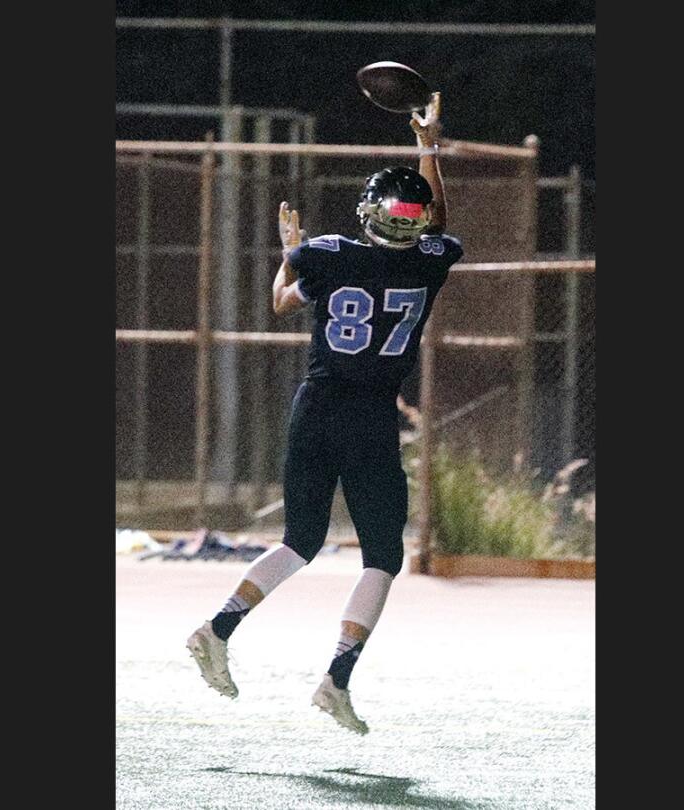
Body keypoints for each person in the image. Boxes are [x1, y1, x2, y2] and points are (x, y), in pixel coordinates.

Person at [186, 93, 462, 735]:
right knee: (382, 556)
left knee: (300, 541)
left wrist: (291, 250)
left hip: (314, 408)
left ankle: (217, 628)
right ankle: (336, 678)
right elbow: (436, 222)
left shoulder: (328, 254)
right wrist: (428, 149)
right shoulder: (430, 262)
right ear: (415, 226)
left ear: (368, 213)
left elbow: (282, 302)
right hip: (369, 419)